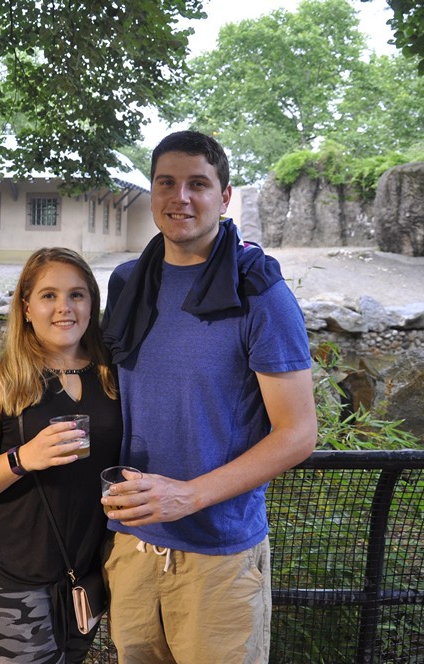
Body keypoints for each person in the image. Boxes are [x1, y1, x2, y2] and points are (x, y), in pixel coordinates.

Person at [100, 130, 318, 663]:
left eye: (198, 184)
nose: (181, 198)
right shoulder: (128, 284)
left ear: (224, 197)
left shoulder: (259, 293)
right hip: (131, 541)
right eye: (166, 183)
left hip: (218, 554)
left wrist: (188, 496)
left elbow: (298, 433)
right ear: (151, 193)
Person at [0, 247, 122, 664]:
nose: (64, 307)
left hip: (85, 570)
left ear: (92, 304)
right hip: (12, 574)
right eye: (49, 296)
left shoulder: (112, 376)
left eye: (77, 295)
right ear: (26, 308)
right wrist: (22, 458)